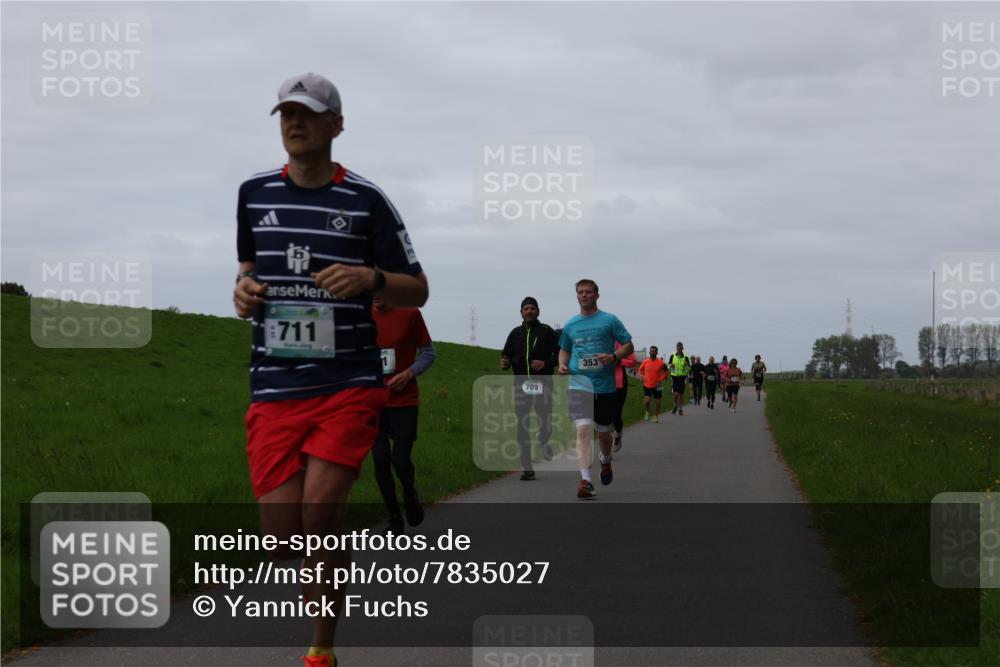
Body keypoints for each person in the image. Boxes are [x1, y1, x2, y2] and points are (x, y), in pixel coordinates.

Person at [232, 72, 429, 667]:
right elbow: (246, 266)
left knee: (320, 514)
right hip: (273, 384)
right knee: (282, 539)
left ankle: (321, 648)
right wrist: (241, 290)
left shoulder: (366, 200)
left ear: (336, 126)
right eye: (287, 114)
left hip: (347, 382)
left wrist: (370, 278)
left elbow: (418, 288)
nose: (295, 123)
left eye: (309, 114)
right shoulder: (253, 193)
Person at [558, 279, 634, 499]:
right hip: (579, 383)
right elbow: (564, 349)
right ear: (577, 296)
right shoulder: (571, 324)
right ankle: (586, 480)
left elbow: (628, 345)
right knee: (582, 430)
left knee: (603, 434)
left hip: (605, 386)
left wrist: (613, 356)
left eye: (588, 292)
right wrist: (563, 363)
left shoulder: (609, 320)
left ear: (597, 295)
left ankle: (606, 460)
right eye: (580, 292)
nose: (584, 295)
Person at [371, 296, 435, 534]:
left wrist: (409, 373)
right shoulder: (360, 315)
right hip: (373, 402)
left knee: (400, 460)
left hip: (404, 401)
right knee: (379, 458)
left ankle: (410, 495)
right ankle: (394, 517)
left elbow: (429, 353)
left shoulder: (410, 313)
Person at [500, 297, 560, 480]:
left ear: (538, 312)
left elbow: (560, 355)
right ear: (521, 312)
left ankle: (543, 439)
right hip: (521, 385)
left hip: (543, 383)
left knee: (545, 420)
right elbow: (506, 354)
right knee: (522, 425)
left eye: (533, 308)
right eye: (526, 308)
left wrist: (546, 363)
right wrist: (504, 362)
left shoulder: (547, 331)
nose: (530, 311)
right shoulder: (515, 333)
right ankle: (527, 466)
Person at [611, 340, 637, 452]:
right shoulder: (599, 342)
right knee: (602, 415)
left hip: (619, 383)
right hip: (601, 382)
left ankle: (617, 434)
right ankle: (605, 445)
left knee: (615, 413)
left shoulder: (623, 344)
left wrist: (619, 361)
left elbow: (632, 362)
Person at [637, 345, 667, 423]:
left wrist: (660, 380)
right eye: (651, 351)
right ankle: (647, 412)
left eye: (654, 351)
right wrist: (641, 376)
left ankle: (656, 416)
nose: (652, 352)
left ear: (657, 352)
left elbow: (666, 372)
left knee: (658, 402)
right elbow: (640, 370)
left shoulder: (661, 362)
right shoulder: (645, 361)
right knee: (647, 401)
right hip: (647, 384)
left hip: (658, 385)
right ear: (649, 352)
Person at [667, 341, 690, 415]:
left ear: (682, 348)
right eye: (678, 347)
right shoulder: (672, 356)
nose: (679, 349)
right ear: (676, 348)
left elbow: (689, 369)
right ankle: (675, 404)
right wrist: (671, 366)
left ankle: (680, 409)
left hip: (682, 377)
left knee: (681, 394)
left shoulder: (686, 357)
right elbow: (668, 366)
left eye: (680, 347)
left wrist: (686, 366)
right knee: (675, 393)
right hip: (674, 376)